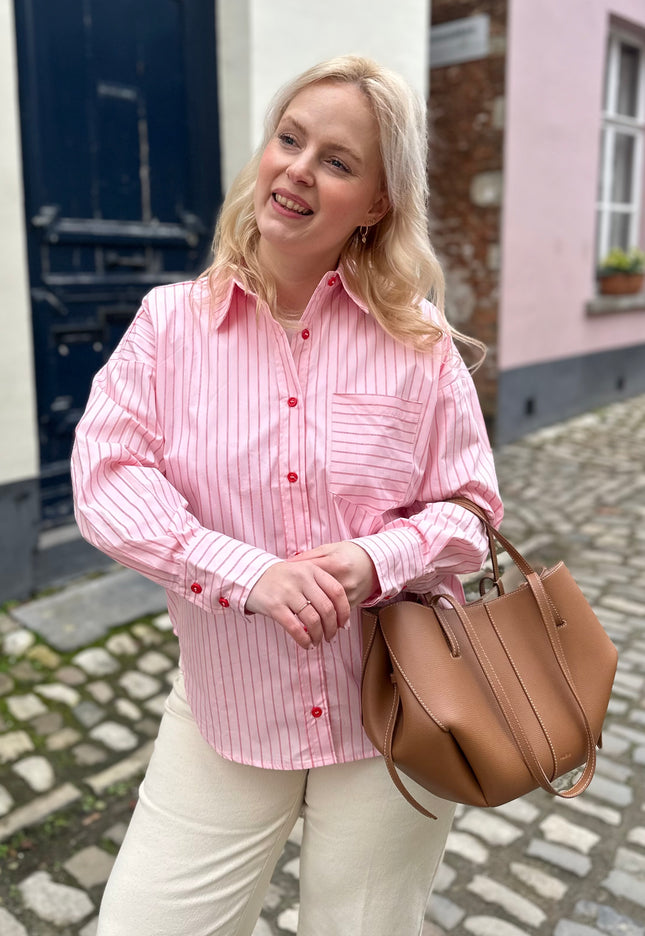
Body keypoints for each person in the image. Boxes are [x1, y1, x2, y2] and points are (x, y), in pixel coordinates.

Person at [71, 54, 503, 936]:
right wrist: (246, 572)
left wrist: (374, 559)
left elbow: (470, 509)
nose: (299, 169)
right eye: (289, 139)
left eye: (338, 161)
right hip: (225, 712)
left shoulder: (417, 346)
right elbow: (107, 480)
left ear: (377, 203)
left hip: (393, 712)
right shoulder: (169, 326)